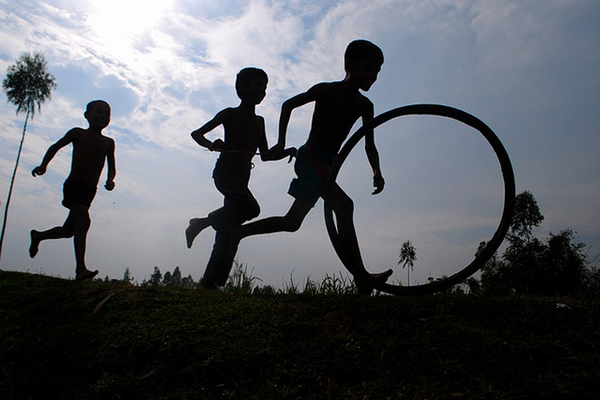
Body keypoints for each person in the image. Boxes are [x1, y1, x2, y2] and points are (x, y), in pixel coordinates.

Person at [229, 39, 392, 294]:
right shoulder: (326, 90)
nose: (372, 75)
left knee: (292, 222)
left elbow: (369, 144)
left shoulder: (364, 105)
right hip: (310, 159)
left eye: (377, 71)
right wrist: (282, 142)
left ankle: (237, 233)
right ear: (349, 64)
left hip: (326, 164)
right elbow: (288, 105)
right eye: (367, 68)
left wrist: (376, 171)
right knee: (344, 204)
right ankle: (361, 277)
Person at [186, 67, 295, 289]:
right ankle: (201, 223)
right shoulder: (229, 114)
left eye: (264, 88)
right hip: (226, 172)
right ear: (242, 89)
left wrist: (286, 151)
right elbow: (197, 134)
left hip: (243, 175)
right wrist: (212, 145)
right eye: (257, 86)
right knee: (251, 209)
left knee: (229, 228)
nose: (262, 91)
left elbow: (264, 155)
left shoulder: (259, 122)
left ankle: (210, 282)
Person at [29, 100, 116, 281]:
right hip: (74, 186)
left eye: (106, 114)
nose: (102, 116)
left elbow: (111, 166)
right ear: (87, 115)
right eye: (98, 112)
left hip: (90, 190)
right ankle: (80, 270)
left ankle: (38, 236)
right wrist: (44, 165)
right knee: (83, 221)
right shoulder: (77, 133)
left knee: (69, 231)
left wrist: (110, 180)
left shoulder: (108, 142)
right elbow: (55, 147)